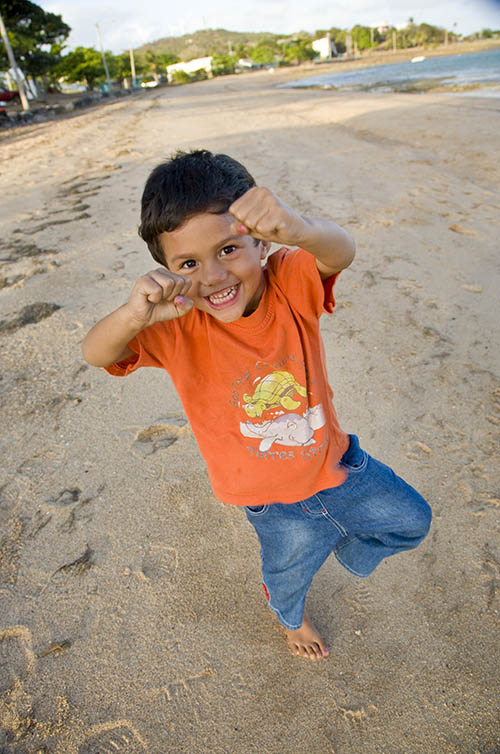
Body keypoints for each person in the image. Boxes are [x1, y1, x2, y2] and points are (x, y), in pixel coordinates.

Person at [82, 149, 432, 661]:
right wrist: (133, 315)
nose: (213, 277)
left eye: (228, 250)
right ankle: (290, 616)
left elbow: (342, 251)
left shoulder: (289, 282)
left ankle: (342, 544)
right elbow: (96, 353)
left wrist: (299, 226)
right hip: (268, 501)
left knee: (412, 521)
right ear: (168, 271)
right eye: (188, 264)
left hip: (339, 466)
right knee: (286, 575)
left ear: (260, 240)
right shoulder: (173, 324)